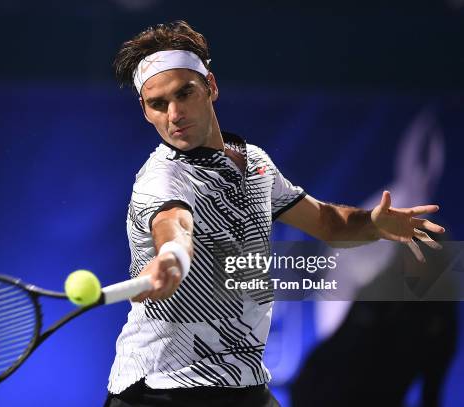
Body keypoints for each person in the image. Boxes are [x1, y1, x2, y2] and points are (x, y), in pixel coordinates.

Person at [104, 20, 445, 407]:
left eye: (185, 93)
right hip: (160, 391)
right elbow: (174, 226)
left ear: (211, 86)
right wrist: (171, 259)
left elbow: (329, 224)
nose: (175, 113)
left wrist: (373, 224)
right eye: (158, 104)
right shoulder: (161, 180)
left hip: (243, 385)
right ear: (145, 111)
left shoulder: (256, 165)